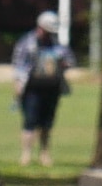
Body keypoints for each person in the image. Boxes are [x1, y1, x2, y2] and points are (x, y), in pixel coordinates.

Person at [12, 10, 73, 158]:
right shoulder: (27, 43)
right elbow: (19, 65)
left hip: (52, 88)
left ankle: (44, 153)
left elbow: (70, 60)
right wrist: (18, 85)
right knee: (30, 121)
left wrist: (64, 63)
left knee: (47, 123)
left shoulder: (57, 45)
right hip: (32, 88)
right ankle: (26, 154)